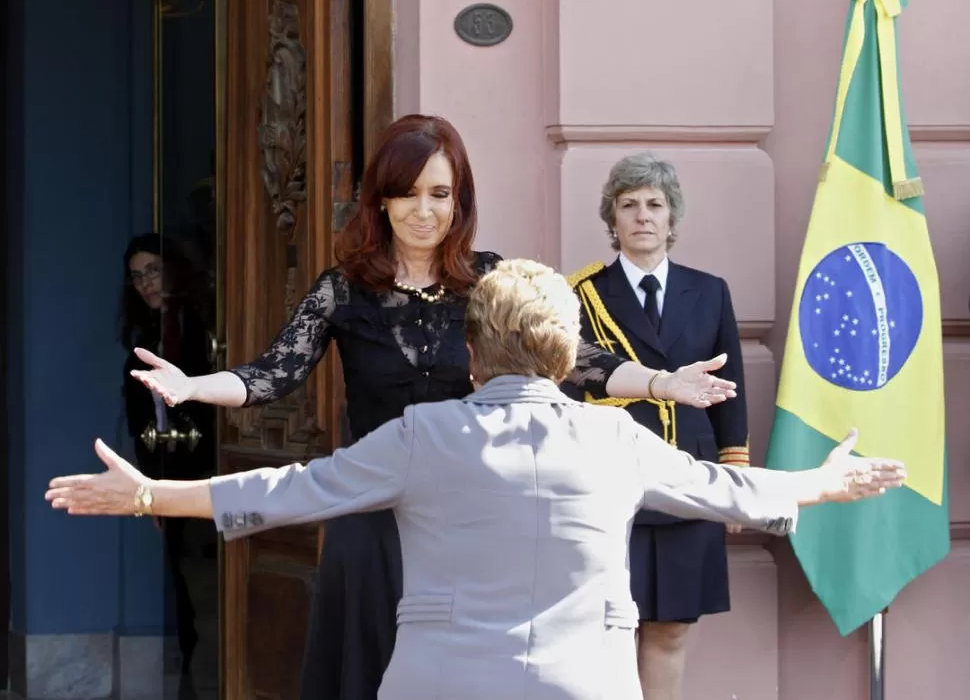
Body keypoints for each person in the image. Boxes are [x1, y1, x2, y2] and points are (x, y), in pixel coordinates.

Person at [47, 258, 906, 700]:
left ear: (470, 350)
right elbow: (734, 494)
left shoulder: (422, 434)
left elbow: (289, 489)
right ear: (568, 356)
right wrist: (822, 482)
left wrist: (150, 493)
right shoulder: (616, 439)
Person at [123, 115, 739, 700]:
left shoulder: (488, 279)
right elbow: (272, 374)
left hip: (465, 519)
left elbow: (581, 358)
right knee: (367, 669)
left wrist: (663, 383)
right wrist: (196, 385)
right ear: (382, 201)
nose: (424, 211)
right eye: (408, 193)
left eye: (440, 194)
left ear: (459, 201)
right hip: (370, 514)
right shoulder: (342, 289)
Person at [566, 153, 752, 699]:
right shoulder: (583, 295)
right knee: (612, 628)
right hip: (610, 479)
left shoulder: (710, 290)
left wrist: (733, 475)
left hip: (686, 478)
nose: (642, 215)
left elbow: (730, 388)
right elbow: (573, 384)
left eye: (655, 204)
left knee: (672, 626)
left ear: (673, 218)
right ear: (612, 220)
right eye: (629, 205)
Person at [120, 233, 216, 678]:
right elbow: (144, 426)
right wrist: (148, 489)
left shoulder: (203, 325)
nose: (145, 283)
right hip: (168, 476)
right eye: (137, 276)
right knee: (185, 594)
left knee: (212, 594)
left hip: (211, 470)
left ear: (173, 267)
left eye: (153, 270)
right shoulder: (143, 339)